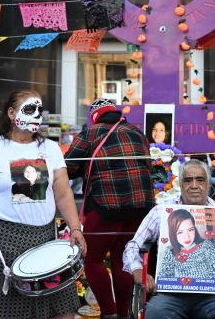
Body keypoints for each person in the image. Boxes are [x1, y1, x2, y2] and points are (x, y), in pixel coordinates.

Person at [0, 91, 86, 319]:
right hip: (1, 241)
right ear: (11, 113)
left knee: (63, 310)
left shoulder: (50, 148)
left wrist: (75, 228)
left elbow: (63, 192)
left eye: (40, 109)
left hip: (45, 239)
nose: (37, 115)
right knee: (6, 311)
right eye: (30, 109)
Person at [123, 159, 215, 319]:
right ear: (180, 184)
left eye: (200, 180)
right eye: (188, 180)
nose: (194, 185)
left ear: (208, 184)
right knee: (156, 312)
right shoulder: (161, 212)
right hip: (169, 295)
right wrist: (138, 271)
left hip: (213, 295)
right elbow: (132, 246)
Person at [65, 98, 154, 319]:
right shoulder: (137, 132)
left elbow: (67, 166)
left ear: (94, 116)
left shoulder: (90, 133)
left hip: (107, 207)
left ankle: (109, 312)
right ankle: (123, 314)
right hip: (140, 208)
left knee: (92, 259)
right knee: (122, 259)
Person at [159, 208, 215, 280]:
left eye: (190, 230)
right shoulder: (170, 251)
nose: (187, 237)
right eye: (180, 232)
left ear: (194, 229)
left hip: (205, 289)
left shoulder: (207, 246)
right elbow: (164, 277)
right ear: (173, 233)